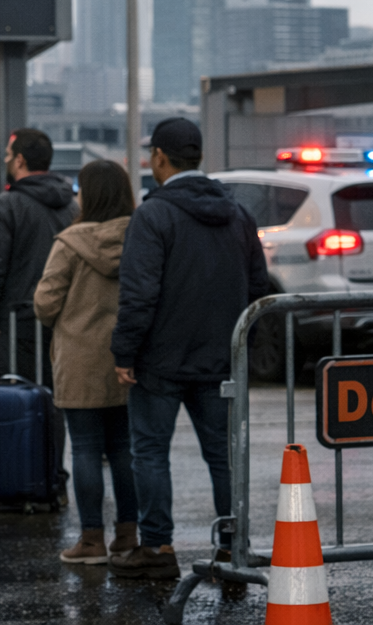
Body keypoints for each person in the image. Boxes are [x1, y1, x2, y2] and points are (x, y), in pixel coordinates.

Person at [108, 118, 271, 580]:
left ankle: (158, 548)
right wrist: (243, 350)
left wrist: (124, 352)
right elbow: (258, 289)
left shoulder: (154, 215)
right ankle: (231, 548)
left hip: (160, 361)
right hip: (221, 360)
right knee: (223, 456)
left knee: (151, 454)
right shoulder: (238, 215)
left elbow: (138, 293)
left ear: (159, 157)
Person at [34, 159, 139, 565]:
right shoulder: (141, 236)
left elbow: (45, 303)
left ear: (88, 194)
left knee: (85, 450)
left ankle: (92, 540)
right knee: (125, 450)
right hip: (128, 359)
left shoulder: (70, 243)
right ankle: (128, 535)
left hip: (79, 359)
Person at [0, 128, 77, 382]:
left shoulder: (6, 205)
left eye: (9, 155)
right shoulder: (72, 206)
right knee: (55, 394)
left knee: (17, 397)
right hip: (63, 317)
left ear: (20, 160)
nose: (7, 161)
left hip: (17, 319)